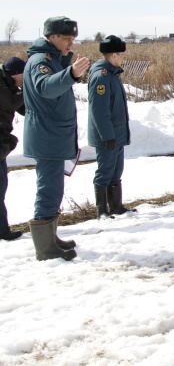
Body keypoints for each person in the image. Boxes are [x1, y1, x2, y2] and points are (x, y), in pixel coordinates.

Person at [23, 16, 89, 261]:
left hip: (52, 133)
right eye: (66, 38)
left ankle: (50, 237)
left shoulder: (53, 60)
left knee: (54, 188)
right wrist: (70, 73)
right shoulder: (42, 61)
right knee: (48, 189)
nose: (70, 43)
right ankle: (45, 247)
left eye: (73, 38)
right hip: (47, 135)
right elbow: (46, 88)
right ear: (51, 37)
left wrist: (67, 70)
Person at [88, 35, 136, 218]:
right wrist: (107, 136)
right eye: (122, 54)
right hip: (107, 135)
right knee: (105, 171)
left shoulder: (113, 74)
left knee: (116, 170)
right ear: (114, 55)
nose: (124, 57)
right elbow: (99, 111)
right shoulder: (102, 77)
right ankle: (102, 211)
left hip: (117, 134)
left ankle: (116, 206)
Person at [0, 57, 26, 241]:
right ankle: (2, 230)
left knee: (2, 185)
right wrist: (29, 89)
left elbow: (23, 109)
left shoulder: (9, 85)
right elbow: (11, 103)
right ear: (15, 73)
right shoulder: (1, 85)